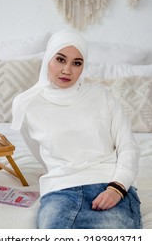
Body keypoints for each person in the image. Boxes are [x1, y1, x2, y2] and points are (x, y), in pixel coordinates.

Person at [11, 29, 142, 229]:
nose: (67, 70)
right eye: (61, 60)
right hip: (59, 191)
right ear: (48, 58)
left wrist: (118, 187)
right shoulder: (26, 104)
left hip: (109, 184)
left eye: (77, 63)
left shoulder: (102, 96)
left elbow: (128, 146)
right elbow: (39, 151)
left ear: (83, 66)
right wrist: (58, 172)